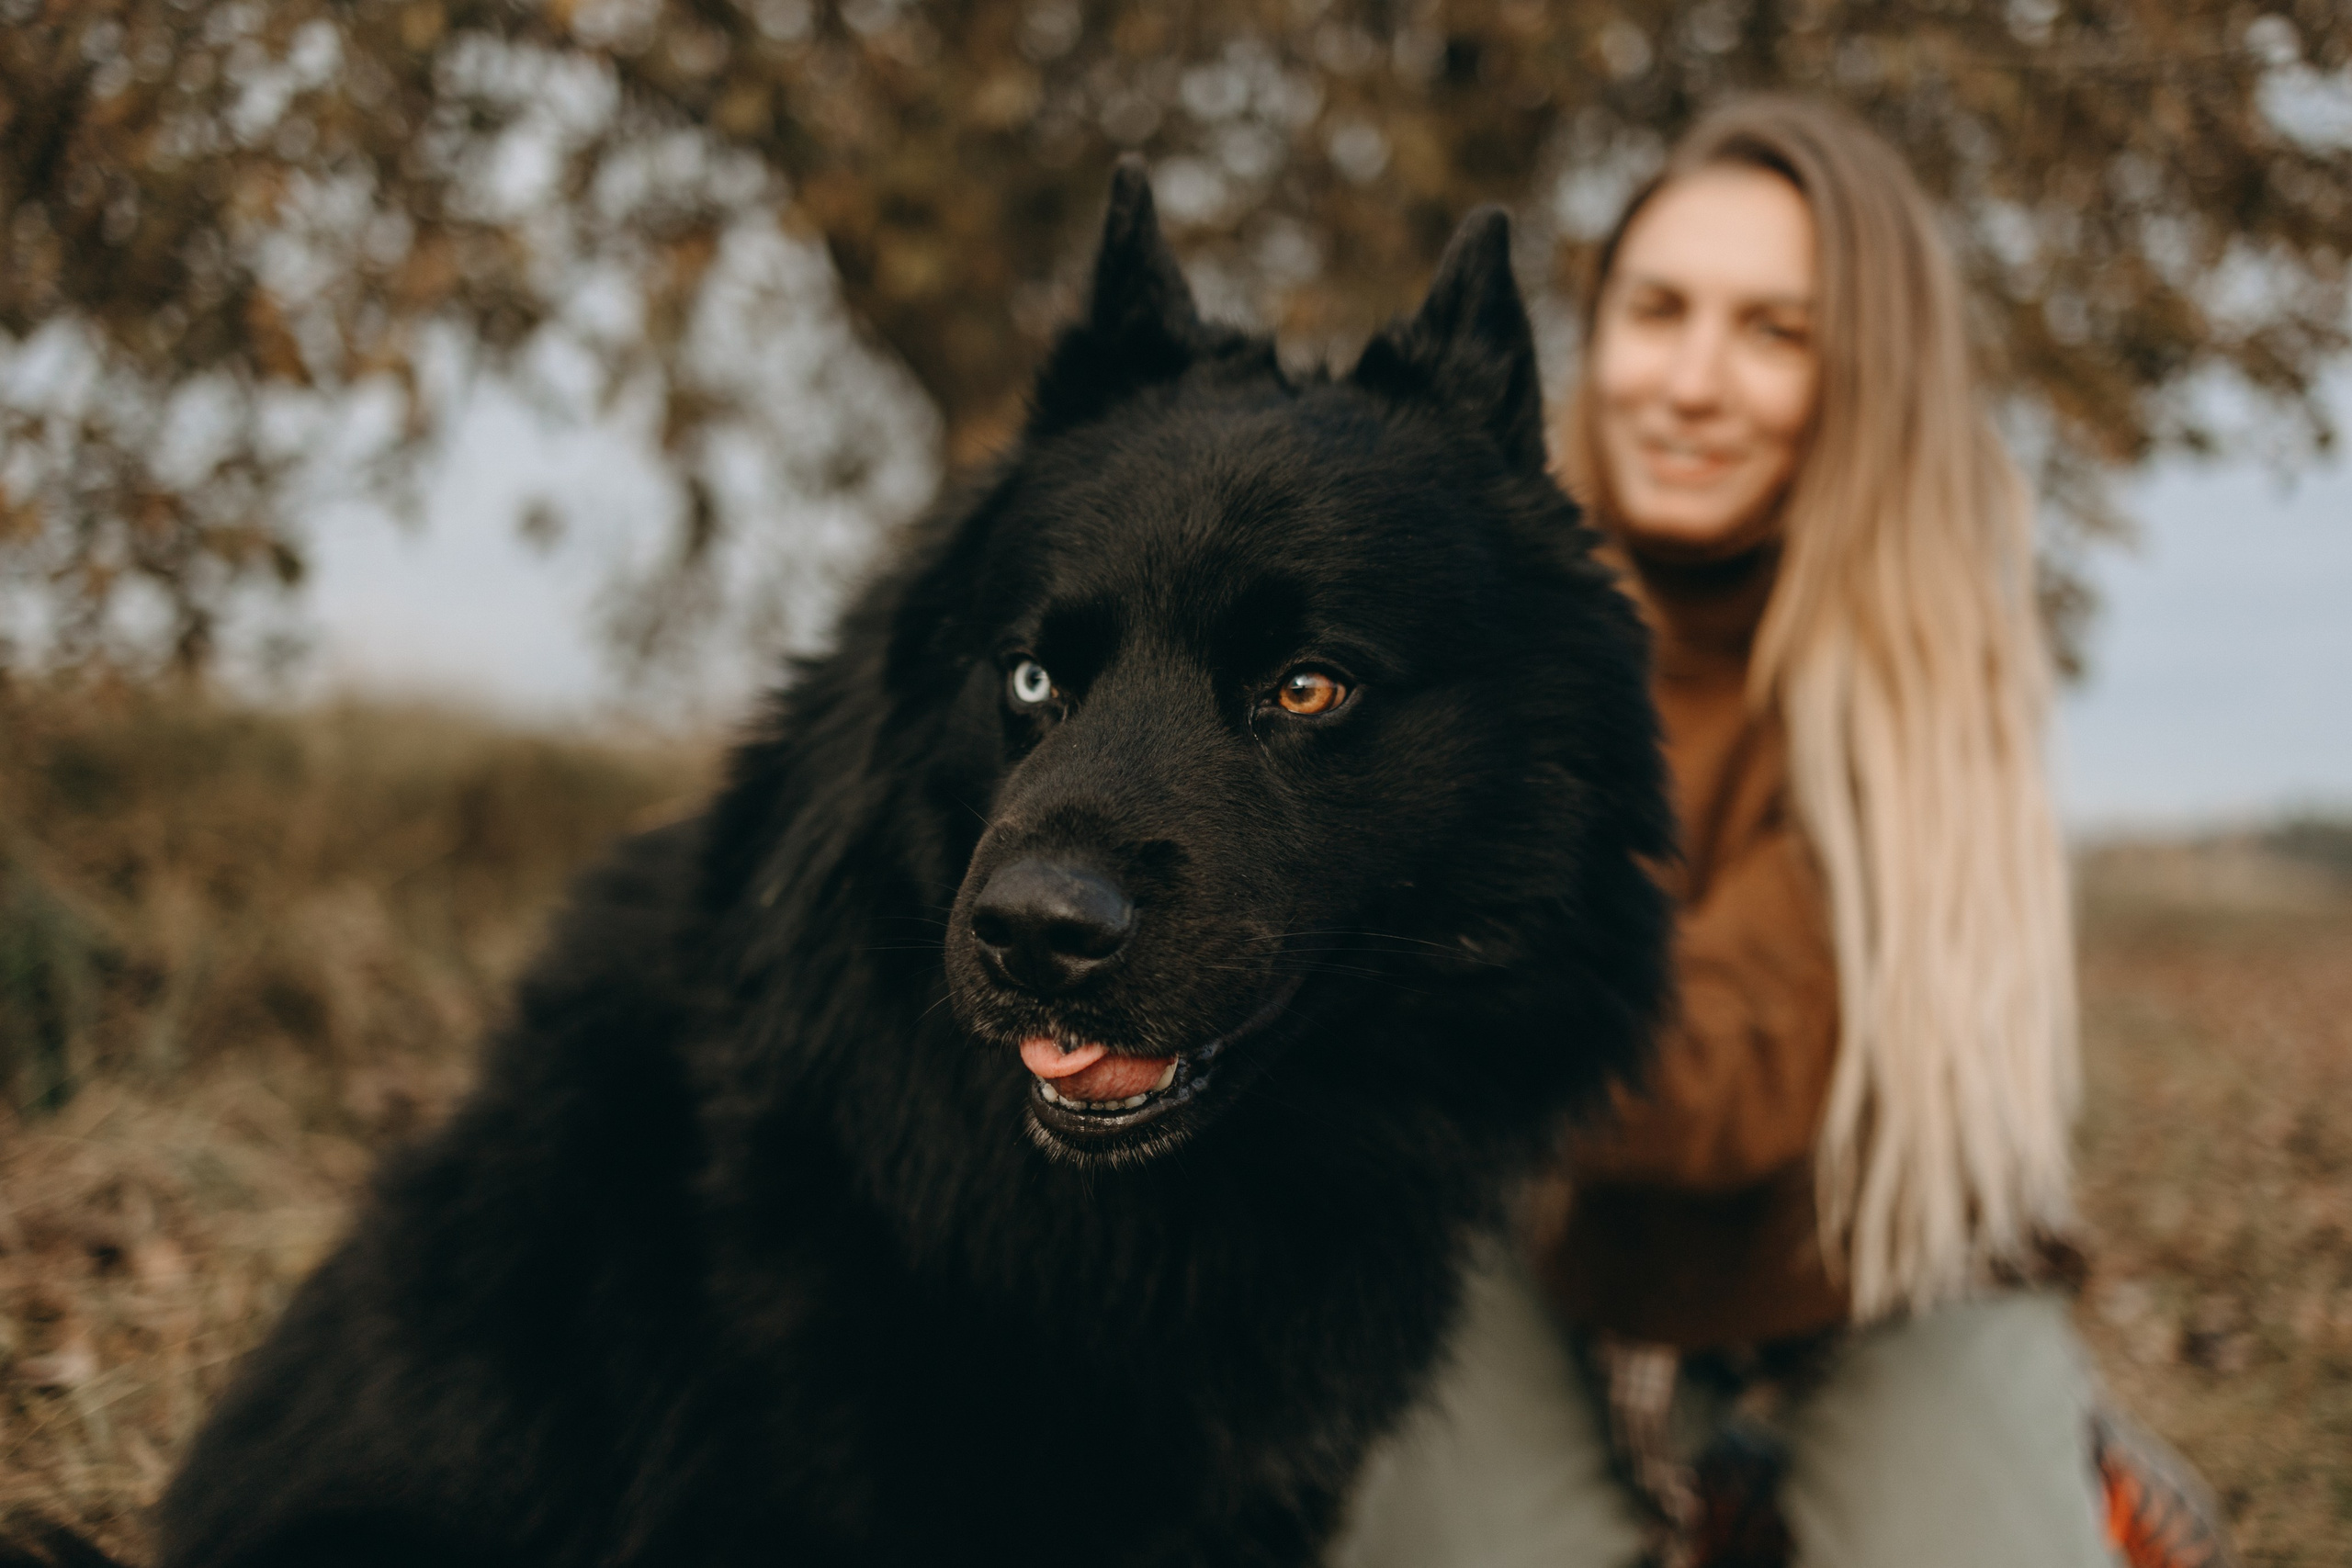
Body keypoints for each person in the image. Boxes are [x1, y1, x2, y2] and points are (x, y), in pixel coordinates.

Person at [1333, 96, 2165, 1568]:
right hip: (1548, 1246)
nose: (1694, 383)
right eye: (1660, 311)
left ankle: (2041, 1445)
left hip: (1878, 1267)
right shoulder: (1462, 615)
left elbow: (1719, 1071)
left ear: (1866, 377)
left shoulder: (1921, 673)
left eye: (1777, 333)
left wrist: (1383, 980)